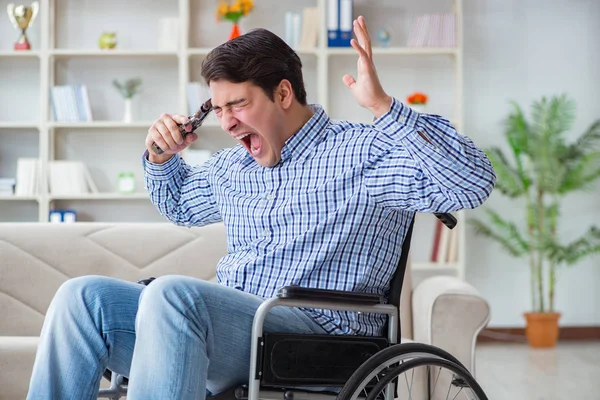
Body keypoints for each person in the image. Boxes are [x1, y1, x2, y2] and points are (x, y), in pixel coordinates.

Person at [27, 16, 495, 400]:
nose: (226, 122)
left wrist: (385, 108)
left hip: (319, 338)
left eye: (238, 105)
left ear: (284, 94)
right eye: (218, 108)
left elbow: (472, 184)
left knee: (173, 295)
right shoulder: (234, 166)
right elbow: (182, 206)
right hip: (234, 330)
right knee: (81, 298)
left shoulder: (362, 153)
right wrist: (159, 158)